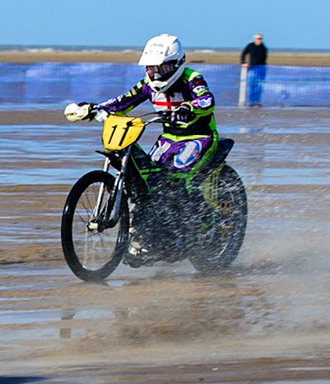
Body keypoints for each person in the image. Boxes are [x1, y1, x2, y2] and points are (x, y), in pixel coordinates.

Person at [65, 34, 218, 247]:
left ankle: (199, 225)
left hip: (198, 138)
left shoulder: (192, 78)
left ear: (177, 64)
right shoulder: (147, 84)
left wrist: (188, 108)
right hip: (168, 139)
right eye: (150, 68)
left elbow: (207, 100)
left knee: (178, 177)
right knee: (150, 179)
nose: (155, 75)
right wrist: (91, 109)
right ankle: (153, 231)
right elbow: (122, 102)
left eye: (161, 69)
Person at [239, 33, 268, 108]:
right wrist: (243, 62)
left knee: (260, 85)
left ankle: (257, 101)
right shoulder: (251, 46)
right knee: (252, 85)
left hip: (261, 68)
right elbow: (244, 53)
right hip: (253, 68)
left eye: (260, 38)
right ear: (254, 39)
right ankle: (252, 101)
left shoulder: (263, 47)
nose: (259, 40)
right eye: (258, 38)